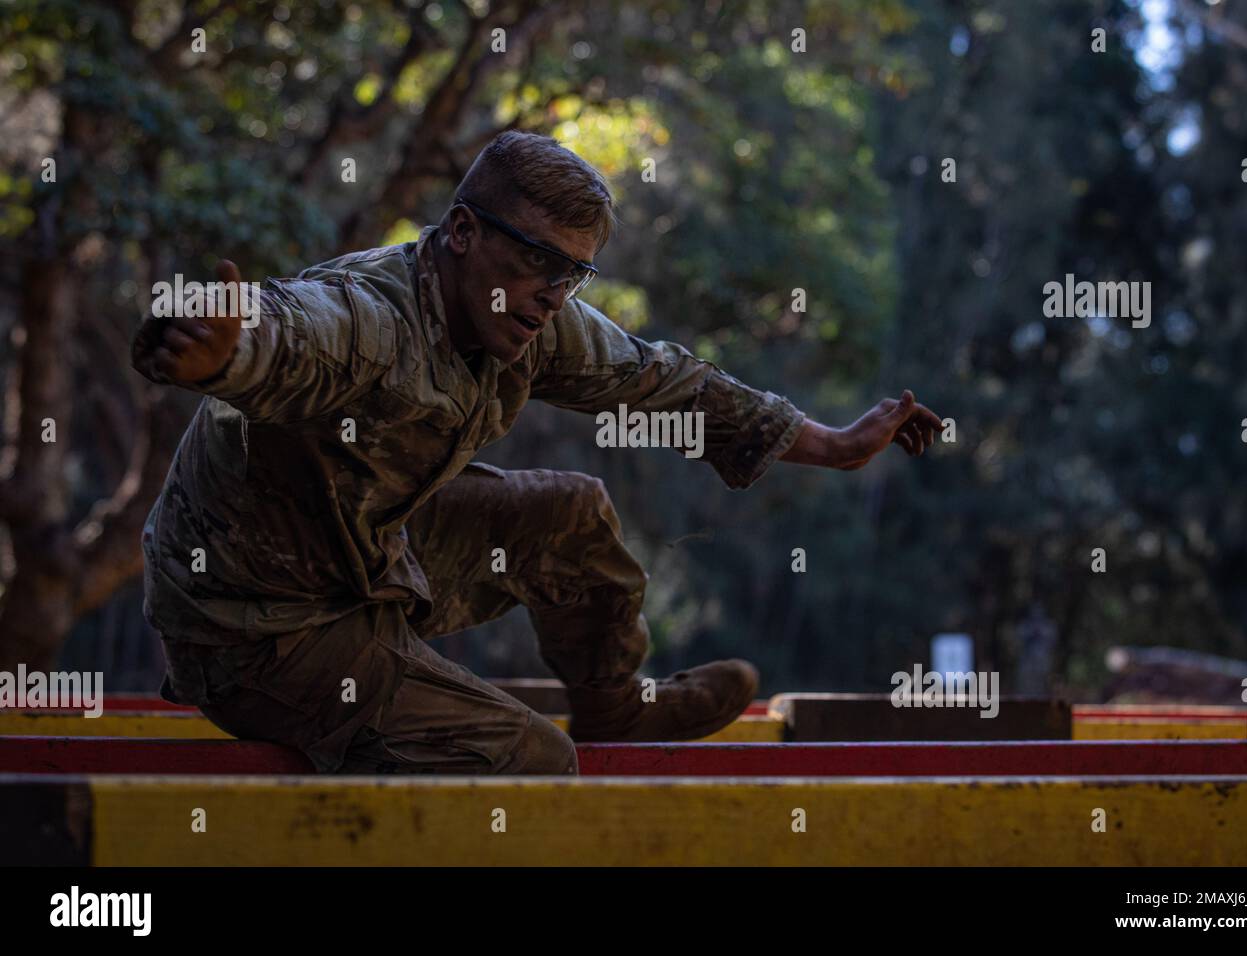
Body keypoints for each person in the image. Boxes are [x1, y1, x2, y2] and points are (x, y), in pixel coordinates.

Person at [131, 130, 943, 774]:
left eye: (573, 274)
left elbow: (668, 385)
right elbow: (292, 330)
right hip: (255, 628)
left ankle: (612, 707)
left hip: (367, 557)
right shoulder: (371, 319)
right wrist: (222, 354)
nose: (552, 293)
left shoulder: (533, 319)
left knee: (570, 513)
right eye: (535, 263)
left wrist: (834, 444)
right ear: (460, 232)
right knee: (529, 760)